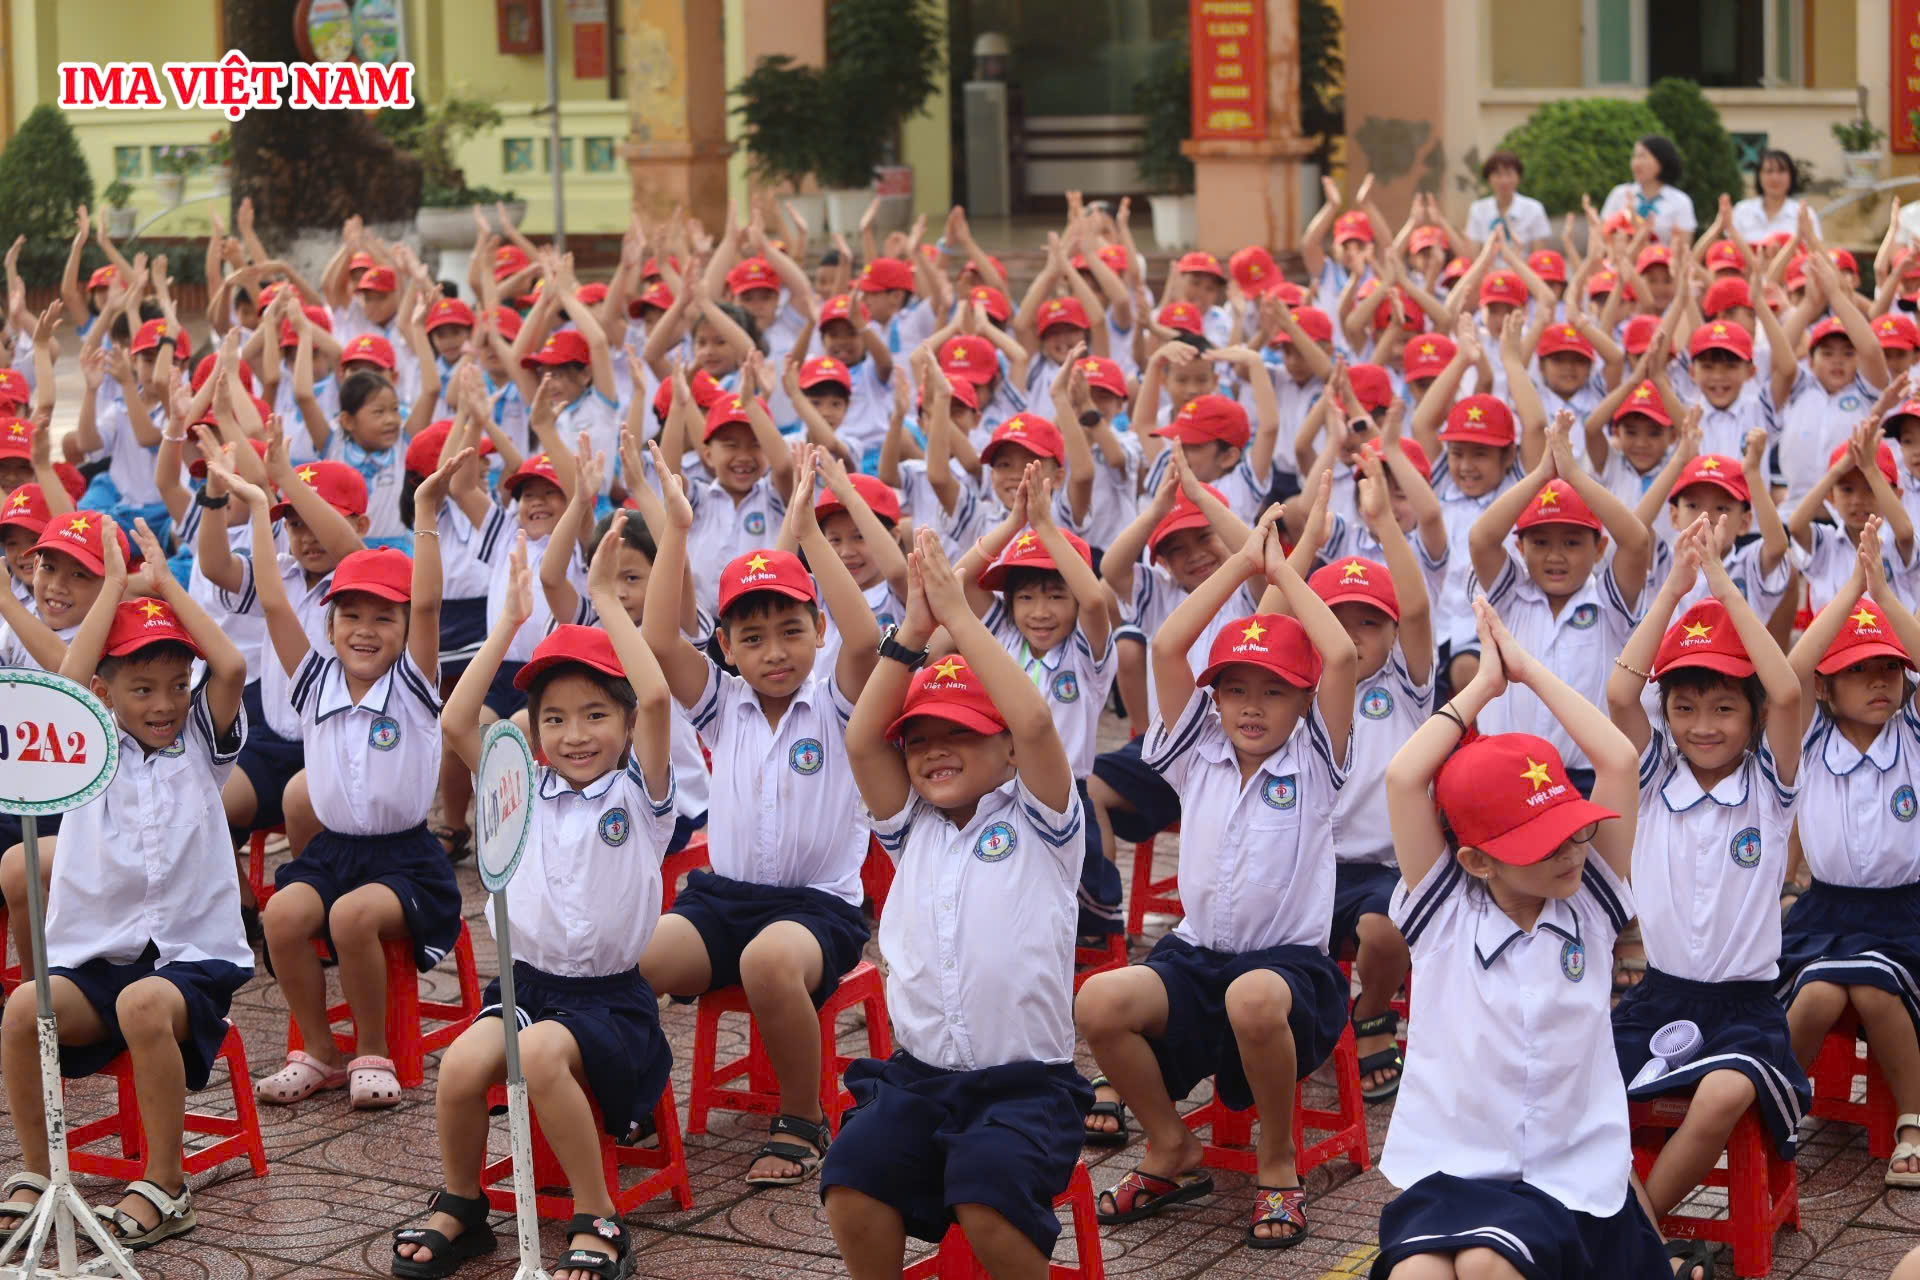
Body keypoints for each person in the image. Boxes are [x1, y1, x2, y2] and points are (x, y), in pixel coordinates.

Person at [395, 527, 678, 1280]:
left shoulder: (637, 795)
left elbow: (653, 693)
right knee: (459, 1066)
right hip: (528, 988)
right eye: (555, 718)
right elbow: (456, 722)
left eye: (594, 715)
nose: (574, 734)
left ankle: (599, 1215)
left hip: (610, 1004)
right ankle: (462, 1206)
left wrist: (610, 600)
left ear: (621, 726)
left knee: (544, 1053)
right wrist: (507, 624)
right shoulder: (513, 781)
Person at [1372, 597, 1679, 1280]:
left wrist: (1528, 672)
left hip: (1564, 1175)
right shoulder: (1445, 909)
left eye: (1574, 831)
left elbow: (1619, 759)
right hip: (1452, 1165)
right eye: (1543, 846)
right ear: (1476, 860)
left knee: (1489, 1268)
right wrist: (1482, 686)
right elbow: (1402, 778)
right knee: (1413, 1276)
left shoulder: (1592, 900)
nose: (1572, 852)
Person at [1076, 513, 1356, 1249]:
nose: (1252, 707)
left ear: (1304, 702)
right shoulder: (1193, 749)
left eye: (1274, 692)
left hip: (1288, 969)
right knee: (1100, 1001)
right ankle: (1171, 1147)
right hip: (1196, 956)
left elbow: (1341, 653)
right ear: (1215, 700)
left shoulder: (1315, 762)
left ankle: (1277, 1164)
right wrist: (1239, 567)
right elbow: (1167, 645)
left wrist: (1281, 570)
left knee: (1252, 995)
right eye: (1235, 690)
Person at [823, 526, 1093, 1280]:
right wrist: (911, 633)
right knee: (851, 1178)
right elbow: (861, 740)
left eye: (962, 736)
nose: (935, 751)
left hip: (1024, 1088)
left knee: (986, 1201)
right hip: (920, 1077)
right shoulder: (915, 830)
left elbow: (1036, 721)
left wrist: (960, 619)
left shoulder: (1041, 823)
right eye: (922, 740)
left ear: (1005, 749)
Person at [0, 518, 249, 1251]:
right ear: (108, 694)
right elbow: (71, 683)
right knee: (22, 1009)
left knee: (146, 1002)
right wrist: (112, 586)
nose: (164, 704)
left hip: (189, 963)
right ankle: (41, 1171)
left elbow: (229, 667)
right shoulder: (87, 745)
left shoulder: (202, 742)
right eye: (142, 688)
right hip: (99, 958)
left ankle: (167, 1183)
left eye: (176, 685)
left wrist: (164, 584)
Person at [640, 443, 877, 1187]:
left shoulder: (838, 701)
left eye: (791, 631)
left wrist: (806, 531)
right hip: (725, 898)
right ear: (728, 648)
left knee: (770, 963)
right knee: (632, 954)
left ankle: (802, 1118)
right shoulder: (721, 704)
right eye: (752, 638)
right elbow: (655, 642)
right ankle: (628, 1093)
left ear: (816, 629)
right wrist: (675, 530)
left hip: (818, 911)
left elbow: (867, 636)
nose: (774, 653)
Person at [229, 446, 461, 1111]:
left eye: (383, 617)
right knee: (283, 915)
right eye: (350, 616)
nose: (365, 630)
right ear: (329, 624)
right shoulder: (315, 678)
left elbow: (430, 603)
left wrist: (422, 512)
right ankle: (315, 1050)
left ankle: (370, 1049)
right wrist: (255, 509)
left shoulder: (413, 685)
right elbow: (273, 601)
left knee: (355, 917)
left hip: (406, 859)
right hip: (334, 850)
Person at [1604, 518, 1810, 1238]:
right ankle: (1634, 1235)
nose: (1704, 726)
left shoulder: (1768, 786)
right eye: (1686, 708)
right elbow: (1621, 694)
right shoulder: (1656, 773)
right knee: (1575, 1082)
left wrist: (1721, 581)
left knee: (1723, 1093)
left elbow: (1786, 694)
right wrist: (1671, 591)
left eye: (1725, 709)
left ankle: (1634, 1233)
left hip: (1746, 1008)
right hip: (1657, 994)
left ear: (1750, 720)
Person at [1780, 518, 1920, 1189]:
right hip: (1827, 911)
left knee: (1873, 982)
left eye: (1889, 668)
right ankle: (1775, 1110)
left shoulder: (1913, 736)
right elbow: (1793, 670)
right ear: (1828, 690)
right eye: (1858, 671)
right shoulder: (1809, 738)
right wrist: (1849, 595)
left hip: (1905, 914)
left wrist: (1883, 593)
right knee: (1813, 995)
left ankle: (1913, 1122)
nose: (1879, 683)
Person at [1601, 136, 1699, 241]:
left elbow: (1684, 246)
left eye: (1643, 156)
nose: (1636, 163)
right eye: (1635, 156)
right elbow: (1603, 234)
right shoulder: (1620, 194)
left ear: (1661, 161)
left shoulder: (1680, 202)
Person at [1464, 151, 1553, 253]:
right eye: (1498, 174)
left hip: (1522, 268)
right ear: (1488, 178)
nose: (1504, 180)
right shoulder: (1477, 209)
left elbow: (1538, 255)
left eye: (1509, 174)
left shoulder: (1534, 208)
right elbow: (1473, 254)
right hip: (1488, 269)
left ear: (1518, 177)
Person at [1732, 150, 1820, 245]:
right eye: (1769, 171)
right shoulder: (1741, 210)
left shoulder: (1806, 214)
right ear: (1759, 176)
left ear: (1791, 176)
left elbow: (1815, 252)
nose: (1775, 178)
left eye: (1781, 171)